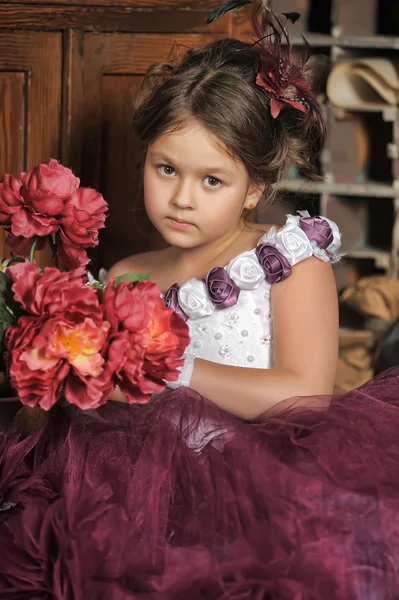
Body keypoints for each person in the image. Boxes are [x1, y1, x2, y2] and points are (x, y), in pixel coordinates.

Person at [1, 5, 399, 599]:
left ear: (255, 188)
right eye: (166, 169)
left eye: (212, 180)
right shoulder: (132, 272)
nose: (181, 198)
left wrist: (174, 372)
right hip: (134, 484)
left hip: (256, 479)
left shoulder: (288, 259)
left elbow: (306, 395)